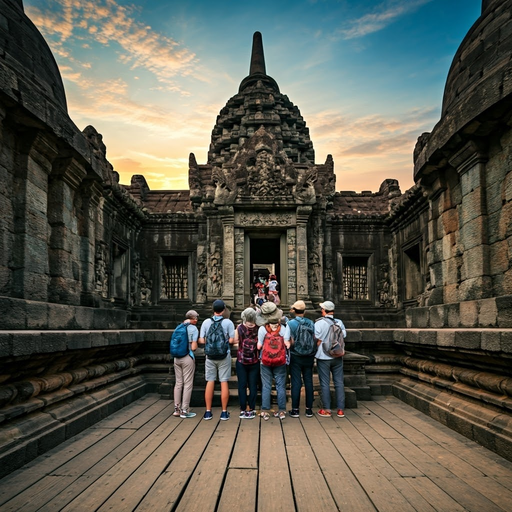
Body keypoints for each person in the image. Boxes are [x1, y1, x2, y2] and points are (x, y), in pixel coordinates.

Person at [198, 300, 235, 421]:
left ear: (213, 309)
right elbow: (231, 341)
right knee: (224, 381)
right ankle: (224, 412)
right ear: (223, 310)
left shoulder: (206, 322)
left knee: (210, 381)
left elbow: (201, 340)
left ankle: (208, 411)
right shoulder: (228, 323)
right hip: (224, 355)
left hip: (210, 356)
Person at [256, 302, 290, 420]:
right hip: (280, 360)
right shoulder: (283, 328)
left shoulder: (262, 329)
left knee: (266, 385)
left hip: (265, 361)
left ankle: (265, 410)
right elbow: (287, 345)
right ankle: (281, 411)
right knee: (281, 385)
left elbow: (259, 346)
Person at [314, 300, 347, 418]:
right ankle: (340, 410)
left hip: (323, 356)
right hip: (337, 355)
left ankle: (326, 409)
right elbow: (344, 335)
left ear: (323, 310)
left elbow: (316, 337)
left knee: (325, 383)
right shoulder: (339, 322)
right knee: (339, 382)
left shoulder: (319, 323)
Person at [286, 300, 316, 418]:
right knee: (308, 381)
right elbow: (314, 338)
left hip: (296, 355)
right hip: (309, 355)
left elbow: (288, 339)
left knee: (296, 381)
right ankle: (309, 409)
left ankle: (295, 409)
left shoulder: (291, 324)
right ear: (305, 311)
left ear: (294, 311)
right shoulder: (311, 323)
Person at [172, 310, 199, 418]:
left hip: (176, 358)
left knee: (178, 383)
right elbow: (194, 347)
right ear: (193, 319)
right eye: (196, 318)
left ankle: (176, 409)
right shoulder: (193, 329)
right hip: (187, 357)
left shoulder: (179, 327)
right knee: (188, 384)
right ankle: (184, 410)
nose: (197, 320)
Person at [234, 307, 260, 419]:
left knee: (242, 385)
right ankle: (252, 408)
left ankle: (243, 409)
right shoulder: (258, 328)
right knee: (253, 385)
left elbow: (236, 341)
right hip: (254, 360)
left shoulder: (239, 328)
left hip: (241, 360)